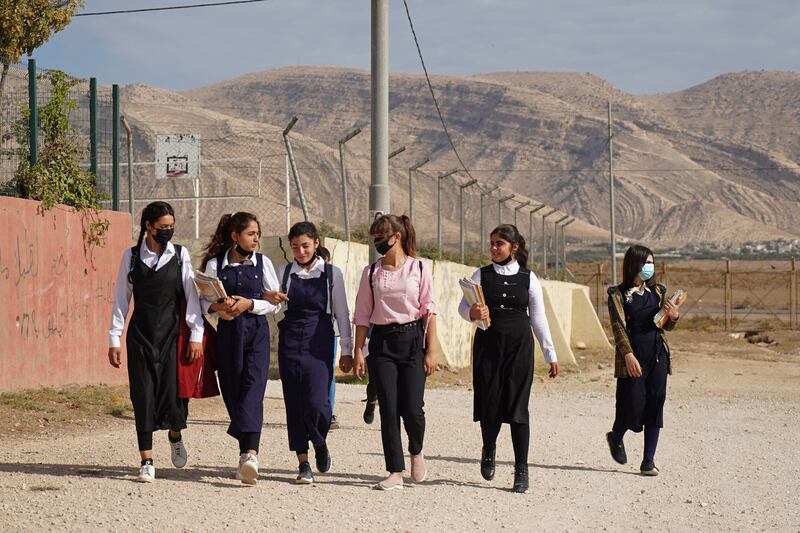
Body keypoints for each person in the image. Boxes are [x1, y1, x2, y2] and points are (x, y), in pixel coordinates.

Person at [107, 201, 204, 483]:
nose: (168, 231)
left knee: (174, 398)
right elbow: (121, 300)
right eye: (163, 227)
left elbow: (191, 298)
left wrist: (195, 334)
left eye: (171, 227)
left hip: (172, 337)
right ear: (148, 226)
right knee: (143, 396)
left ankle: (175, 435)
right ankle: (146, 460)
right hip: (140, 336)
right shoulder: (132, 257)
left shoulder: (180, 255)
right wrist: (114, 338)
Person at [458, 224, 559, 493]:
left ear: (513, 247)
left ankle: (521, 470)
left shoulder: (529, 278)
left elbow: (538, 318)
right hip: (488, 348)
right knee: (490, 404)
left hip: (519, 349)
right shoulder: (480, 274)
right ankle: (489, 448)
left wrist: (551, 354)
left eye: (499, 243)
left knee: (518, 409)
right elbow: (463, 306)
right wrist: (472, 314)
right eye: (491, 243)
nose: (493, 248)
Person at [342, 214, 439, 491]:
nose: (376, 243)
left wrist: (431, 351)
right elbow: (362, 315)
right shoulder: (371, 273)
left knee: (413, 409)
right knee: (389, 409)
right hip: (382, 343)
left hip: (412, 341)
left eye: (380, 238)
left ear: (396, 237)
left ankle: (416, 450)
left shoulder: (419, 268)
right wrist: (359, 351)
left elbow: (429, 312)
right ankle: (395, 471)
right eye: (374, 238)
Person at [267, 224, 352, 484]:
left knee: (318, 402)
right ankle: (303, 462)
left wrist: (347, 349)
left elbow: (342, 313)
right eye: (295, 247)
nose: (300, 251)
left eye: (305, 245)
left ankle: (319, 440)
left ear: (316, 243)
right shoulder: (282, 273)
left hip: (320, 340)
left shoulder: (331, 274)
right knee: (294, 402)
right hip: (290, 340)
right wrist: (270, 298)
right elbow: (270, 309)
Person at [199, 212, 280, 486]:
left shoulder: (264, 263)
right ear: (235, 236)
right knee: (232, 390)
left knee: (253, 390)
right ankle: (244, 455)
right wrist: (218, 307)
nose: (256, 239)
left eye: (258, 233)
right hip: (229, 334)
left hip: (256, 333)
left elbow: (275, 302)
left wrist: (251, 304)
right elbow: (203, 303)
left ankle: (251, 455)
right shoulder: (214, 266)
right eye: (251, 233)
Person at [606, 244, 680, 476]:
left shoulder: (657, 292)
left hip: (657, 355)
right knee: (633, 406)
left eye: (652, 263)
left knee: (655, 403)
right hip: (633, 357)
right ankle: (616, 435)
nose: (649, 267)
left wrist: (673, 316)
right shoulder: (618, 295)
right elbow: (618, 327)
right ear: (633, 264)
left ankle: (648, 461)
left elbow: (664, 324)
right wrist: (628, 355)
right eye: (645, 263)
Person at [315, 246, 341, 430]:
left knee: (328, 372)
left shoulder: (333, 278)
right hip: (313, 332)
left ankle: (328, 413)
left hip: (330, 331)